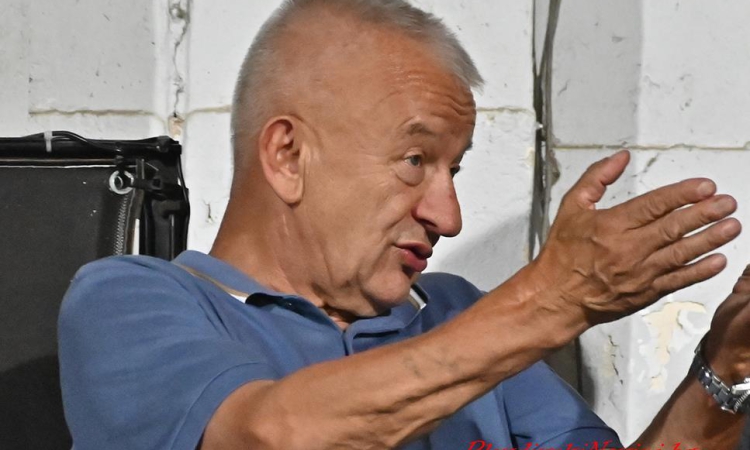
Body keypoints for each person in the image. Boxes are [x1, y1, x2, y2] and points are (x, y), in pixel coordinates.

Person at [58, 1, 750, 449]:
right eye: (415, 161)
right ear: (288, 156)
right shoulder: (132, 301)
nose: (448, 216)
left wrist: (725, 371)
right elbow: (270, 435)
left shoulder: (455, 313)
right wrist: (553, 301)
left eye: (455, 169)